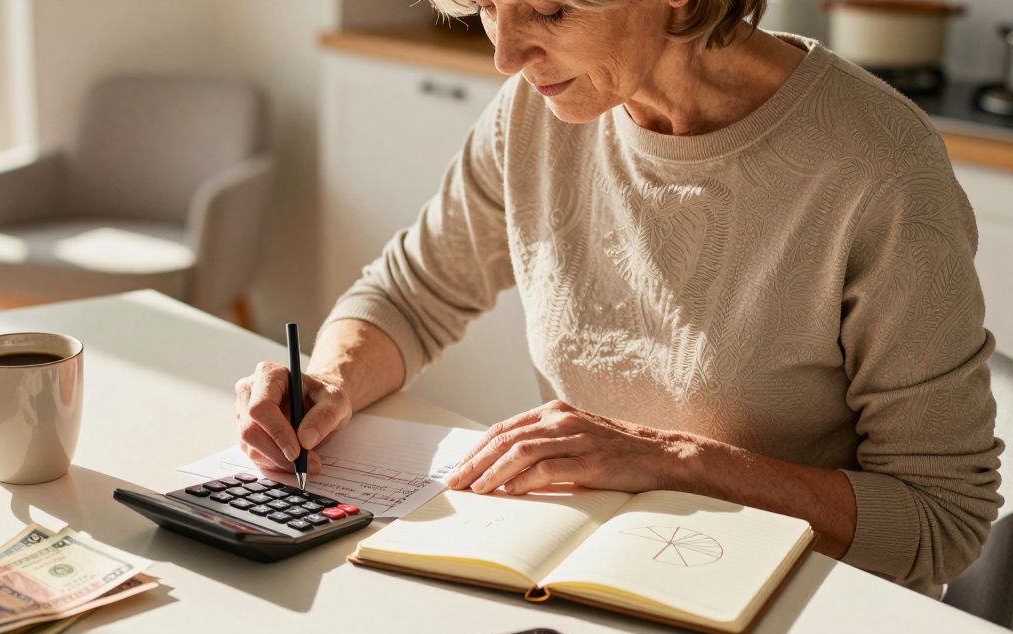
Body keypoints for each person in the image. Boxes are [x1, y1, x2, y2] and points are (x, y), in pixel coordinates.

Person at [234, 0, 1003, 597]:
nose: (505, 54)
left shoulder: (877, 168)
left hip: (807, 623)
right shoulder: (537, 113)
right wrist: (330, 380)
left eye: (552, 11)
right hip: (596, 587)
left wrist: (676, 461)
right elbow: (411, 293)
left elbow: (941, 521)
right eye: (491, 9)